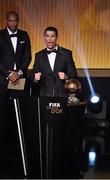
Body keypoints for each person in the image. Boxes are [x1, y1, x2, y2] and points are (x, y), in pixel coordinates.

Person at [0, 11, 31, 143]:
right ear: (6, 21)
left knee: (19, 108)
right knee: (2, 109)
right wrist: (8, 74)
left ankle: (18, 139)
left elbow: (27, 57)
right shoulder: (0, 35)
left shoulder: (24, 35)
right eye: (10, 21)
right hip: (3, 78)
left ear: (18, 21)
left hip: (20, 77)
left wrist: (19, 73)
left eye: (15, 20)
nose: (13, 23)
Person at [32, 26, 77, 97]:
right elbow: (34, 75)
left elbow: (73, 74)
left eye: (52, 36)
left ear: (56, 37)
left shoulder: (66, 54)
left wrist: (66, 76)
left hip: (62, 94)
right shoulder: (38, 55)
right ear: (44, 37)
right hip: (44, 95)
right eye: (47, 36)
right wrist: (35, 78)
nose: (50, 39)